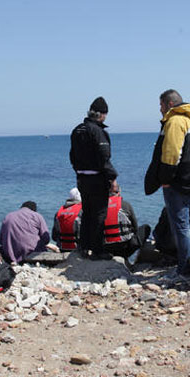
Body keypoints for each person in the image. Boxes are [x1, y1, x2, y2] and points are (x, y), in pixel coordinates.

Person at [144, 89, 190, 276]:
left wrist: (165, 179)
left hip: (177, 183)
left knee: (181, 227)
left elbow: (171, 155)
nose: (160, 110)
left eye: (161, 105)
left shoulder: (174, 121)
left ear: (170, 104)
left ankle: (184, 267)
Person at [70, 96, 118, 261]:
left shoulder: (77, 130)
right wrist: (112, 179)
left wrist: (79, 172)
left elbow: (72, 156)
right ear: (102, 115)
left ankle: (83, 247)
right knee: (99, 214)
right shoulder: (97, 131)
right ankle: (97, 250)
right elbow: (104, 158)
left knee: (87, 212)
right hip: (96, 179)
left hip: (82, 179)